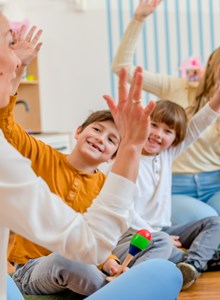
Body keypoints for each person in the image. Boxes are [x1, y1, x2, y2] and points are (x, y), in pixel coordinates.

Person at [0, 13, 180, 299]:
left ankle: (123, 280)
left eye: (111, 140)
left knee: (157, 241)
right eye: (96, 130)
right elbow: (6, 126)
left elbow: (98, 240)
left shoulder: (102, 186)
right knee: (66, 260)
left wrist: (109, 261)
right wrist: (19, 72)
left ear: (113, 156)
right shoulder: (40, 155)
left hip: (86, 258)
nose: (100, 139)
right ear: (78, 131)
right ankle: (125, 288)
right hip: (35, 267)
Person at [112, 0, 220, 235]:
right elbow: (122, 68)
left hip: (215, 184)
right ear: (214, 60)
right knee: (209, 220)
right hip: (175, 185)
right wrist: (138, 19)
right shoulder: (175, 87)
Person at [113, 69, 220, 290]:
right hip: (135, 235)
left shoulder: (167, 153)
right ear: (143, 122)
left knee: (215, 222)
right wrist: (155, 235)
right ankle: (202, 259)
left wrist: (219, 99)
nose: (158, 135)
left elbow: (197, 126)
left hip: (164, 229)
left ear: (175, 139)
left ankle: (192, 264)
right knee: (163, 246)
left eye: (168, 131)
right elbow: (124, 212)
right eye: (154, 125)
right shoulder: (126, 158)